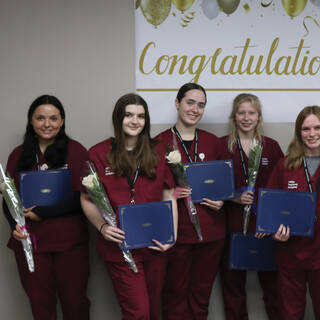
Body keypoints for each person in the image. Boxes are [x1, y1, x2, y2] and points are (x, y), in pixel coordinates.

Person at [81, 93, 177, 320]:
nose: (135, 121)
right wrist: (102, 227)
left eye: (141, 116)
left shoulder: (158, 150)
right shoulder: (98, 153)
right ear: (118, 118)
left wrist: (170, 236)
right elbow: (86, 198)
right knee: (138, 312)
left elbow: (168, 193)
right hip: (120, 247)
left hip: (155, 245)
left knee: (153, 310)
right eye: (129, 115)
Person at [2, 95, 90, 319]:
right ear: (31, 121)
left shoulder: (76, 151)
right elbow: (8, 200)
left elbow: (83, 198)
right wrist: (15, 226)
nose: (47, 124)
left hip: (69, 244)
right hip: (31, 244)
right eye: (40, 118)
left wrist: (44, 213)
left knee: (76, 305)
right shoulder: (19, 154)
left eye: (53, 118)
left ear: (62, 121)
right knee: (41, 308)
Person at [265, 105, 320, 320]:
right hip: (291, 252)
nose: (312, 134)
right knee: (290, 313)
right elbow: (271, 206)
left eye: (317, 127)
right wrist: (274, 232)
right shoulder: (285, 164)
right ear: (299, 132)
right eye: (306, 129)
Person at [155, 83, 225, 320]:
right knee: (175, 293)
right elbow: (151, 188)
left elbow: (225, 184)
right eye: (190, 102)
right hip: (177, 233)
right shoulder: (158, 142)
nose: (195, 109)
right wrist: (169, 193)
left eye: (201, 105)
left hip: (210, 232)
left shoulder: (213, 142)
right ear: (177, 103)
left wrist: (222, 201)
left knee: (201, 294)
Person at [218, 93, 283, 320]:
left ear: (259, 117)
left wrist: (272, 222)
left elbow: (281, 189)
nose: (246, 118)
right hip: (232, 227)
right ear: (234, 116)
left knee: (274, 288)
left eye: (251, 113)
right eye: (241, 113)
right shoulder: (222, 146)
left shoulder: (272, 147)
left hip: (264, 227)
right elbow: (212, 187)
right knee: (233, 288)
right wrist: (234, 197)